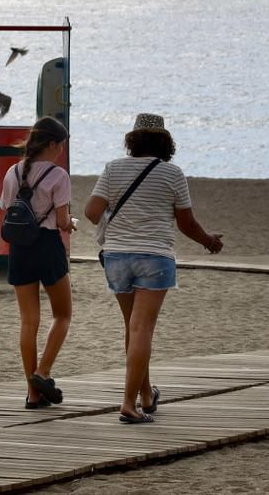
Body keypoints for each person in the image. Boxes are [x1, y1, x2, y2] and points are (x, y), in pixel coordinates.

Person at [86, 112, 223, 424]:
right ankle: (128, 404)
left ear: (132, 140)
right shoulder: (172, 174)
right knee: (142, 329)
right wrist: (209, 241)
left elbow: (92, 212)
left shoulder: (113, 168)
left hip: (117, 256)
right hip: (155, 257)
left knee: (132, 328)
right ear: (165, 142)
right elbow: (187, 223)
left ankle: (146, 395)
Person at [0, 116, 75, 409]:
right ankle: (42, 372)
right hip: (47, 245)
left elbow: (6, 209)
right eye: (61, 146)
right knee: (63, 315)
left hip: (19, 248)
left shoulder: (12, 172)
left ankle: (33, 393)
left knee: (28, 322)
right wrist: (72, 224)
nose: (61, 152)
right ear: (52, 144)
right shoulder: (59, 176)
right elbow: (63, 221)